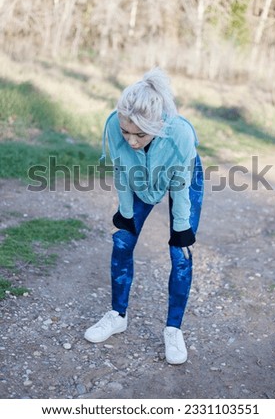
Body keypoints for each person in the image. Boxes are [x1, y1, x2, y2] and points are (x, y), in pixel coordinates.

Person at [84, 68, 204, 364]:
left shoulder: (180, 136)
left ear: (158, 125)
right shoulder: (115, 126)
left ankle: (173, 329)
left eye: (140, 134)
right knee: (122, 240)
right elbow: (123, 171)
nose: (131, 140)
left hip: (180, 177)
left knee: (180, 252)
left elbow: (180, 186)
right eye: (126, 131)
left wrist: (181, 230)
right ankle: (117, 315)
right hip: (138, 176)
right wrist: (125, 215)